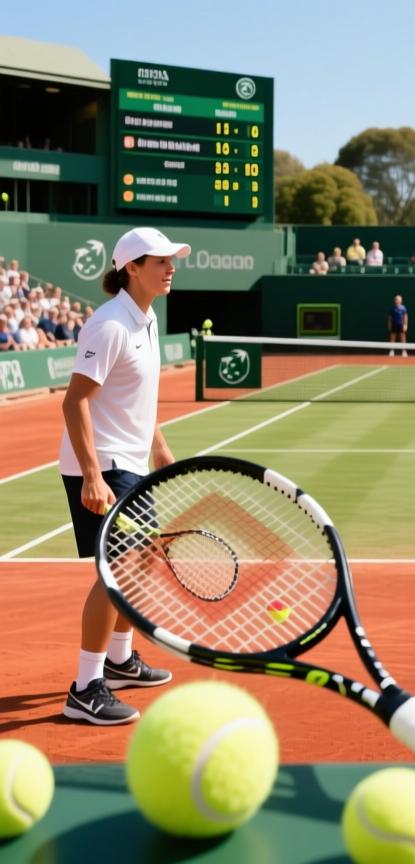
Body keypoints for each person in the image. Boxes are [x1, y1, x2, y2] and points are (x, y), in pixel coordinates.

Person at [59, 227, 189, 725]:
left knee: (141, 562)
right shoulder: (110, 324)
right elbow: (75, 403)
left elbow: (136, 397)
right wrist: (93, 476)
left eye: (171, 260)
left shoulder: (147, 319)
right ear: (131, 267)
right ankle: (86, 688)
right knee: (116, 571)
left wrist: (158, 447)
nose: (170, 267)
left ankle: (118, 662)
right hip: (105, 464)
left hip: (132, 460)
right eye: (160, 261)